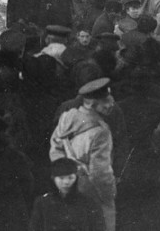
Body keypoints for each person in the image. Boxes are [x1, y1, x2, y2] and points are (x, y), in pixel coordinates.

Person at [50, 78, 118, 231]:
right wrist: (109, 195)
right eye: (105, 102)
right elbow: (100, 173)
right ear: (92, 104)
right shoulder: (101, 132)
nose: (111, 105)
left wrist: (66, 171)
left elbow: (55, 149)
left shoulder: (67, 117)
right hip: (91, 190)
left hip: (66, 185)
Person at [29, 157, 105, 231]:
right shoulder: (42, 203)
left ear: (76, 178)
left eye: (70, 178)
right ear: (53, 179)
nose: (66, 182)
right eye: (61, 178)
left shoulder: (88, 202)